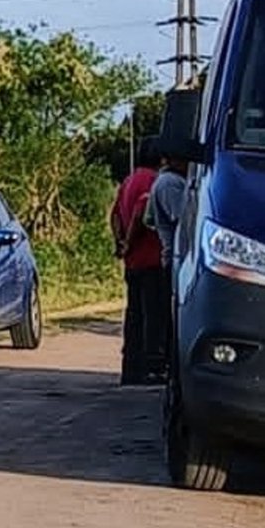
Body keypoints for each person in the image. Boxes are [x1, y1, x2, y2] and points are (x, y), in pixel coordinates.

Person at [111, 137, 164, 385]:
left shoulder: (129, 181)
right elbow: (140, 212)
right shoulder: (153, 181)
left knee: (133, 315)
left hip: (133, 262)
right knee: (153, 315)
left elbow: (114, 215)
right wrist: (130, 242)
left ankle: (130, 367)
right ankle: (151, 367)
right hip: (150, 258)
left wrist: (119, 242)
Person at [144, 150, 189, 382]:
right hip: (176, 258)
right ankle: (165, 363)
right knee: (171, 318)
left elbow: (148, 219)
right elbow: (182, 218)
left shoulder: (161, 181)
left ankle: (162, 362)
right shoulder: (171, 183)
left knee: (165, 316)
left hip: (169, 256)